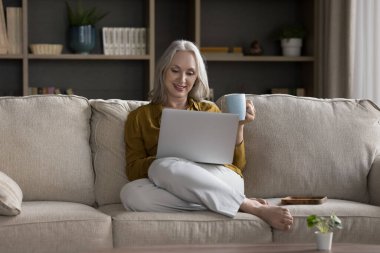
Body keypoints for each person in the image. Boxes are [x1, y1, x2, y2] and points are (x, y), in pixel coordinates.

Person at [120, 39, 293, 231]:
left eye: (190, 73)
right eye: (175, 70)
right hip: (170, 183)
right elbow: (133, 169)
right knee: (131, 194)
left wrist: (240, 126)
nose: (182, 79)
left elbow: (237, 166)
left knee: (162, 165)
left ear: (197, 78)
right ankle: (230, 202)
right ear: (163, 71)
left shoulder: (208, 110)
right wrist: (173, 161)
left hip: (220, 178)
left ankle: (249, 206)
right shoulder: (139, 117)